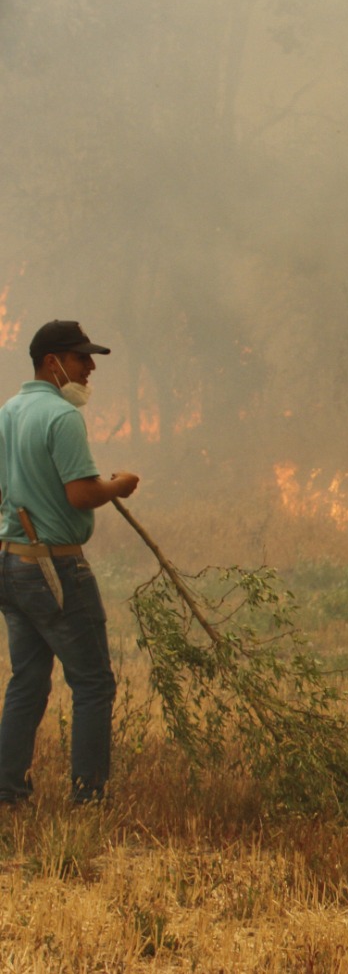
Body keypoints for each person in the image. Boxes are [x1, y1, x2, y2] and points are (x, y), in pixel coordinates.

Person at [0, 320, 139, 806]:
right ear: (52, 362)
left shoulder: (8, 412)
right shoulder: (62, 418)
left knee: (28, 681)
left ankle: (8, 791)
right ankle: (89, 798)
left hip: (13, 564)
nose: (90, 367)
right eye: (82, 358)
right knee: (94, 682)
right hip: (55, 569)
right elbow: (81, 494)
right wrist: (116, 486)